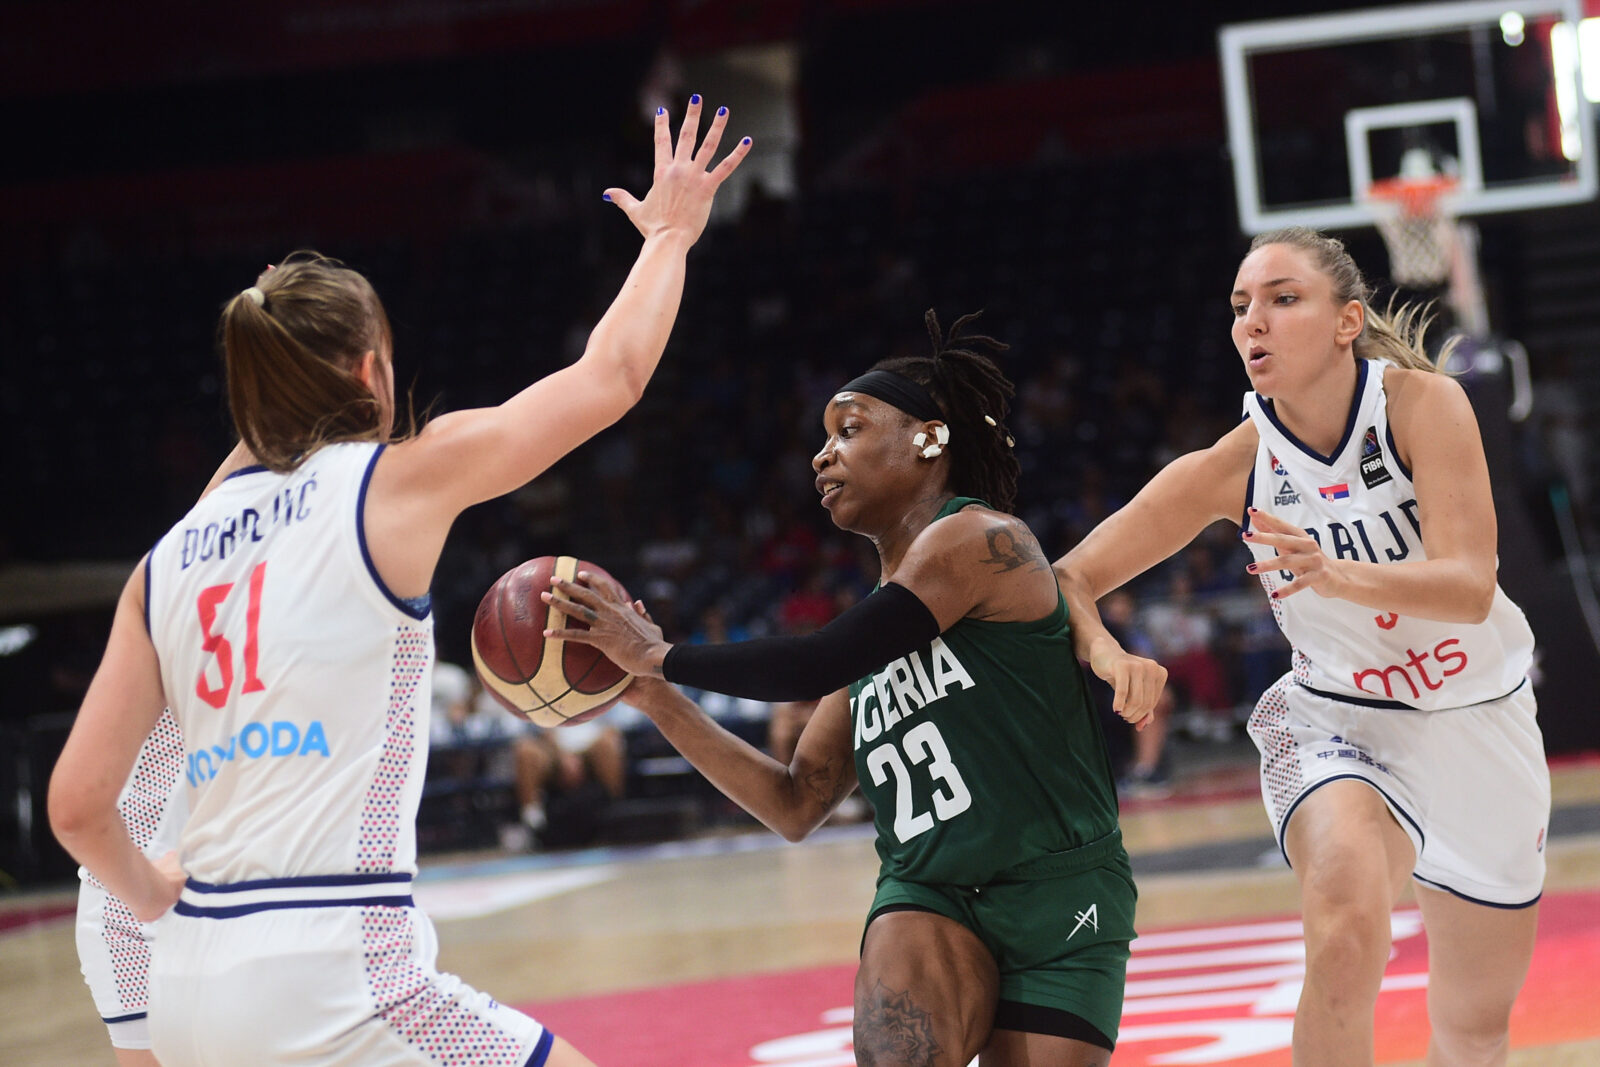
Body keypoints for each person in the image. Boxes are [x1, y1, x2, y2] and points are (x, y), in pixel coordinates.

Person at [47, 96, 749, 1067]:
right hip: (336, 970)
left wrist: (152, 889)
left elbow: (76, 806)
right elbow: (611, 376)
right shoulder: (392, 484)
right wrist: (668, 237)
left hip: (186, 989)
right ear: (372, 369)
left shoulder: (166, 560)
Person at [550, 311, 1136, 1066]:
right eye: (823, 439)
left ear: (929, 439)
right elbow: (796, 802)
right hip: (930, 893)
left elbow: (813, 662)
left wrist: (658, 654)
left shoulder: (982, 540)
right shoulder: (876, 631)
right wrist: (657, 697)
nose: (822, 455)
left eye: (849, 430)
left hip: (1062, 888)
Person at [1052, 226, 1550, 1067]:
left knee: (1474, 1028)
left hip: (1482, 719)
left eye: (1283, 299)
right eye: (1241, 305)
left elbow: (1470, 586)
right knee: (1345, 938)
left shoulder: (1423, 406)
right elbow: (1067, 577)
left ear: (1347, 320)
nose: (1254, 321)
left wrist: (1337, 573)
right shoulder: (1236, 464)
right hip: (1343, 722)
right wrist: (1109, 655)